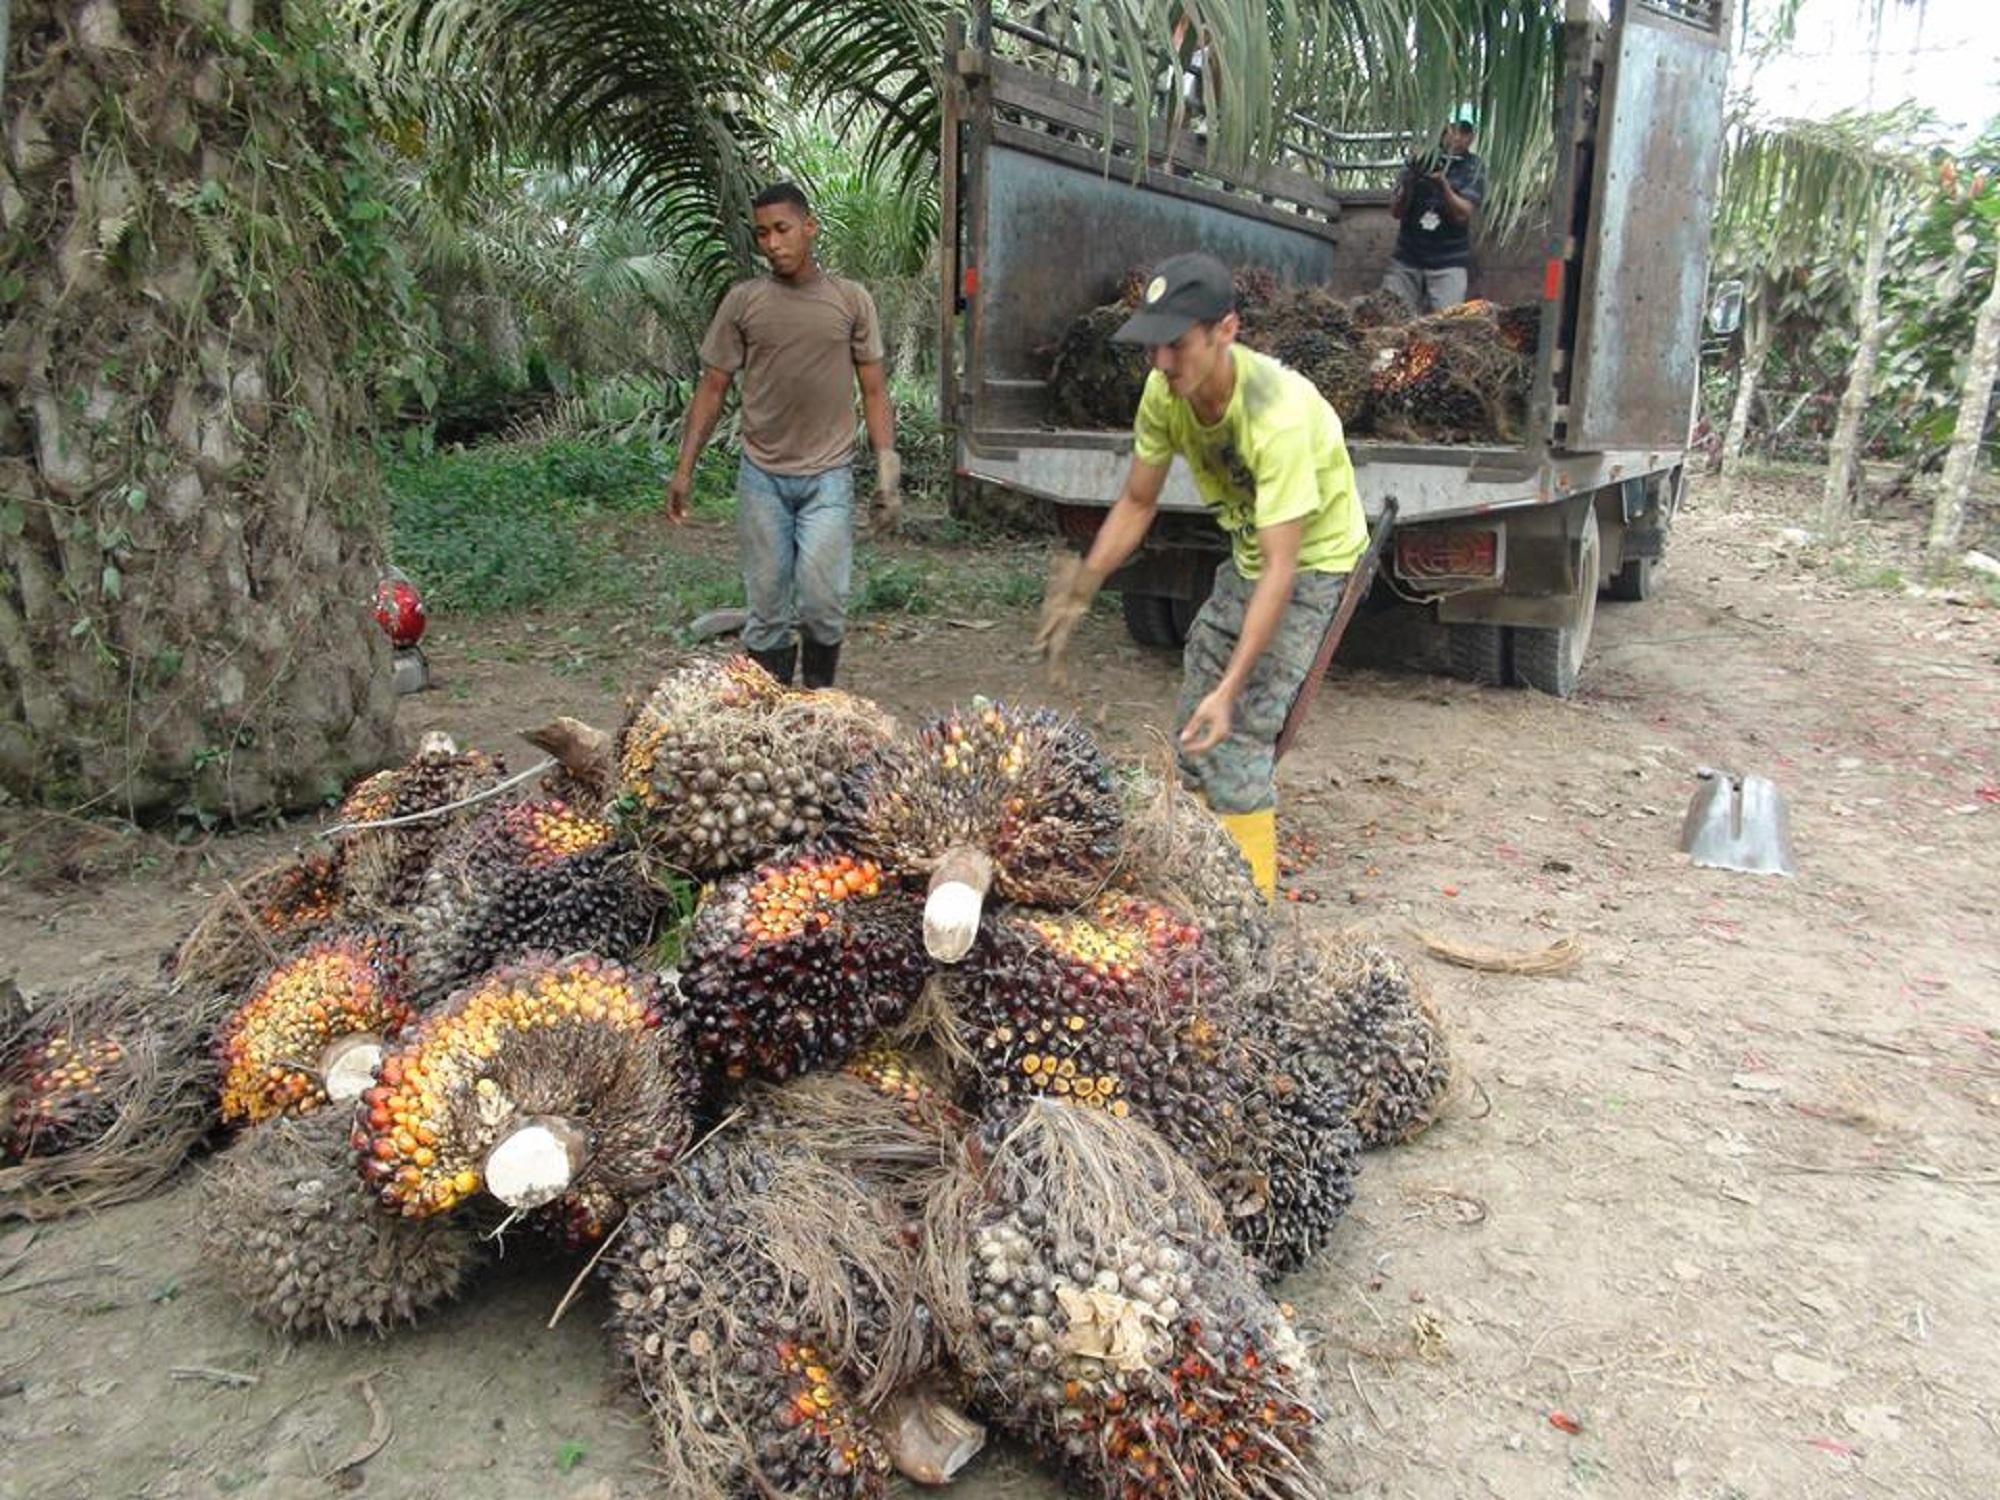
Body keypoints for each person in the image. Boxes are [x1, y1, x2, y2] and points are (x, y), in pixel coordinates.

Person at [1034, 253, 1368, 900]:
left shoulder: (1277, 414)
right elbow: (1137, 502)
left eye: (1177, 345)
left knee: (1238, 727)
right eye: (1154, 345)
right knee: (1195, 722)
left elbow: (1281, 571)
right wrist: (1085, 583)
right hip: (1251, 551)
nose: (1161, 362)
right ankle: (1194, 870)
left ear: (1226, 331)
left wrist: (1233, 686)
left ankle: (1249, 919)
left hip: (1311, 559)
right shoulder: (1165, 392)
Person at [666, 182, 899, 689]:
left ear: (809, 228)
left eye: (782, 230)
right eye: (762, 234)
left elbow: (875, 392)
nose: (772, 243)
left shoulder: (849, 300)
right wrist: (685, 468)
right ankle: (769, 718)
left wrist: (888, 473)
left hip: (828, 480)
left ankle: (817, 703)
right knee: (767, 607)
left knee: (823, 602)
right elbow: (712, 388)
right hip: (763, 479)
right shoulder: (744, 302)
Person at [1382, 116, 1487, 314]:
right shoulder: (1420, 160)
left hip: (1448, 262)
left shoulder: (1473, 166)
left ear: (1472, 137)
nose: (1457, 137)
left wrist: (1443, 185)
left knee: (1446, 326)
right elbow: (1396, 211)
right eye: (1452, 130)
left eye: (1465, 132)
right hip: (1407, 259)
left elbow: (1463, 213)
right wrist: (1411, 178)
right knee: (1390, 317)